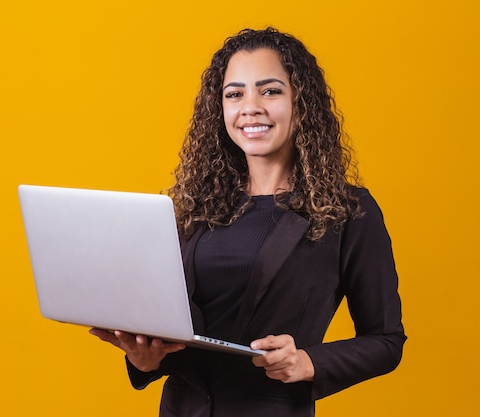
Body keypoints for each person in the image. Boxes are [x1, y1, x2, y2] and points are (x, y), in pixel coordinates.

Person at [90, 27, 406, 417]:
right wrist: (146, 359)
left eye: (270, 91)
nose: (250, 107)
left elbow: (386, 340)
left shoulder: (347, 210)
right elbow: (180, 333)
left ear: (300, 103)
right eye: (234, 94)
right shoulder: (193, 207)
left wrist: (307, 362)